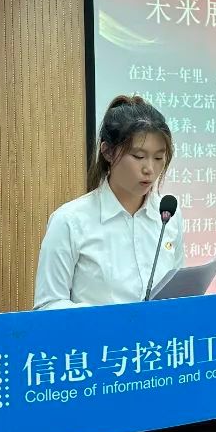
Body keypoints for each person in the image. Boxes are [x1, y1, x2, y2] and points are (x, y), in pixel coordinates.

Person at [33, 95, 184, 310]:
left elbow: (179, 294)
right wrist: (107, 319)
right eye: (138, 156)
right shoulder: (69, 221)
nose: (150, 169)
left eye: (159, 158)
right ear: (108, 152)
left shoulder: (168, 216)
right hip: (96, 333)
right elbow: (48, 304)